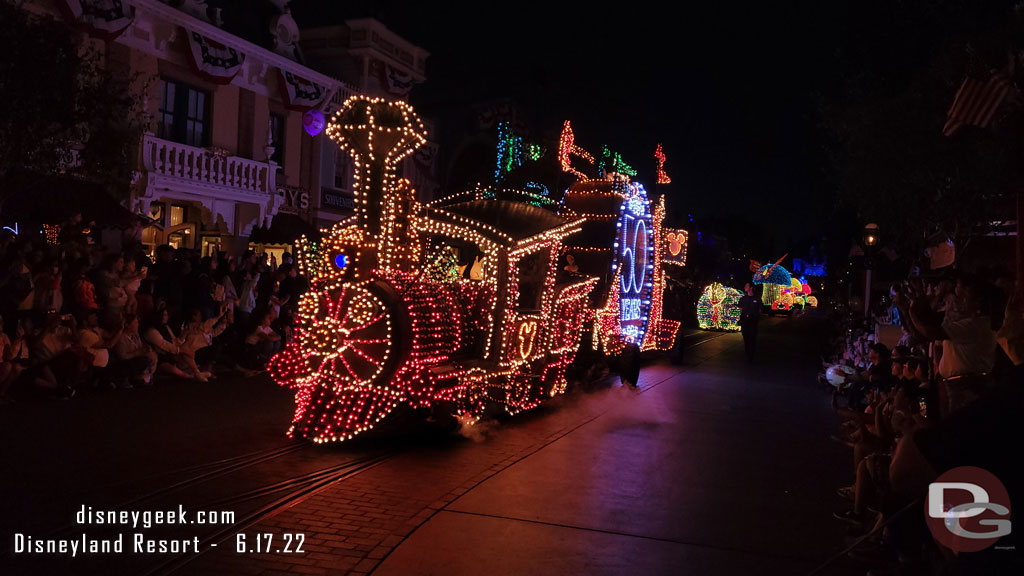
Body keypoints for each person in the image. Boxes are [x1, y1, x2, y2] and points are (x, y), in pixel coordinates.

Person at [738, 282, 761, 363]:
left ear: (751, 288)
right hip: (745, 321)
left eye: (747, 286)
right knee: (746, 338)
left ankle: (751, 355)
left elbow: (759, 310)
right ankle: (748, 354)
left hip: (753, 322)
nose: (745, 287)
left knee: (752, 338)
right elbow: (740, 309)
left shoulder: (757, 298)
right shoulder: (743, 299)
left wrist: (754, 316)